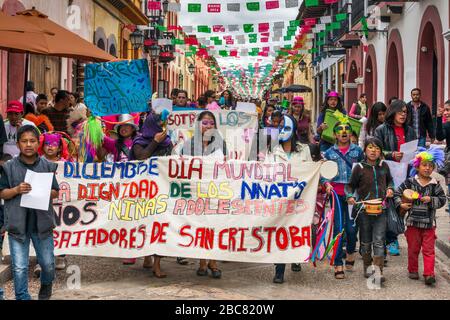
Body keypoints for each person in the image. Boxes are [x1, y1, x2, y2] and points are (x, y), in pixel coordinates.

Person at [0, 125, 60, 300]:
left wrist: (43, 192)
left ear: (38, 143)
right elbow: (2, 193)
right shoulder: (9, 167)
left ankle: (46, 284)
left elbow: (55, 191)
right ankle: (22, 296)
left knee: (48, 264)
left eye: (32, 141)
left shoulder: (47, 166)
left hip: (42, 225)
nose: (28, 144)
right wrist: (17, 190)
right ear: (18, 144)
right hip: (18, 225)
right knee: (19, 267)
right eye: (24, 141)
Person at [178, 111, 225, 278]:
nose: (208, 126)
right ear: (198, 125)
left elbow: (226, 168)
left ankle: (213, 262)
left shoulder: (221, 144)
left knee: (214, 226)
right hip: (195, 193)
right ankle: (202, 262)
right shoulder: (188, 145)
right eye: (205, 123)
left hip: (214, 193)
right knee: (200, 227)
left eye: (211, 123)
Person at [267, 115, 312, 284]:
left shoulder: (304, 150)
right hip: (279, 200)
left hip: (300, 201)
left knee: (296, 230)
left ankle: (296, 257)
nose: (280, 131)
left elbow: (309, 171)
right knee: (280, 231)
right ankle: (279, 270)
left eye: (284, 128)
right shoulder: (272, 150)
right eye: (277, 127)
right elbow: (264, 173)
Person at [394, 147, 446, 285]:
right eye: (424, 165)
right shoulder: (410, 182)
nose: (427, 168)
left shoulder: (435, 185)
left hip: (429, 224)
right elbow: (397, 194)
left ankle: (429, 274)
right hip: (412, 223)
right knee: (413, 249)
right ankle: (413, 270)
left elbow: (442, 200)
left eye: (430, 166)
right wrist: (401, 205)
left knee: (429, 250)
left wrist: (431, 200)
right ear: (417, 166)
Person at [130, 112, 173, 277]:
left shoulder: (168, 142)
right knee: (145, 224)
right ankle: (147, 255)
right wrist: (155, 142)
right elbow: (141, 157)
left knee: (159, 226)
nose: (162, 128)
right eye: (158, 124)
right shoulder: (139, 142)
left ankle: (157, 263)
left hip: (162, 190)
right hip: (143, 191)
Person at [346, 137, 394, 282]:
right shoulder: (359, 168)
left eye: (377, 148)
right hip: (363, 210)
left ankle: (378, 272)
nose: (374, 151)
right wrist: (349, 196)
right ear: (365, 150)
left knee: (379, 240)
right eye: (371, 148)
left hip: (381, 209)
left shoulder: (384, 165)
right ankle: (367, 268)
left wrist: (390, 188)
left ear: (381, 151)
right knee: (366, 241)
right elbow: (350, 186)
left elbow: (390, 180)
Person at [374, 100, 417, 256]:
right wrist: (390, 154)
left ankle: (392, 236)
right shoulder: (381, 130)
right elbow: (374, 149)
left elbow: (414, 149)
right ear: (393, 112)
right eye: (401, 112)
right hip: (387, 173)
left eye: (406, 112)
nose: (404, 115)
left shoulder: (410, 131)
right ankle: (387, 238)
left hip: (406, 173)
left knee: (402, 206)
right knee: (387, 205)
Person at [322, 121, 364, 279]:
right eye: (340, 129)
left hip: (353, 196)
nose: (344, 132)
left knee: (352, 229)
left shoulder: (358, 151)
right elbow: (323, 173)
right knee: (339, 229)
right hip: (336, 196)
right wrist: (326, 184)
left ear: (351, 134)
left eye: (347, 129)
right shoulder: (329, 153)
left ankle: (351, 250)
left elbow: (363, 170)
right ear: (335, 134)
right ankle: (338, 262)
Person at [436, 101, 450, 213]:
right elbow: (440, 136)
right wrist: (439, 118)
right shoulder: (446, 125)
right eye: (445, 110)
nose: (446, 112)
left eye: (448, 110)